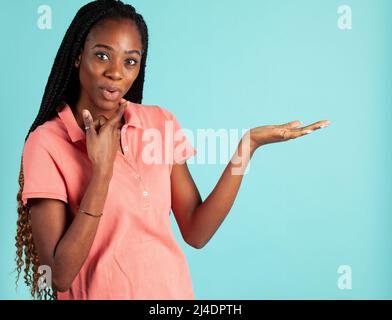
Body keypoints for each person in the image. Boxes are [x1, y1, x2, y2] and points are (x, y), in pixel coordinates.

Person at [15, 0, 330, 300]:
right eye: (102, 56)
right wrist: (102, 173)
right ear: (77, 56)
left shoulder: (158, 122)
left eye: (130, 61)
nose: (116, 72)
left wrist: (247, 147)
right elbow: (58, 275)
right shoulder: (47, 143)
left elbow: (196, 230)